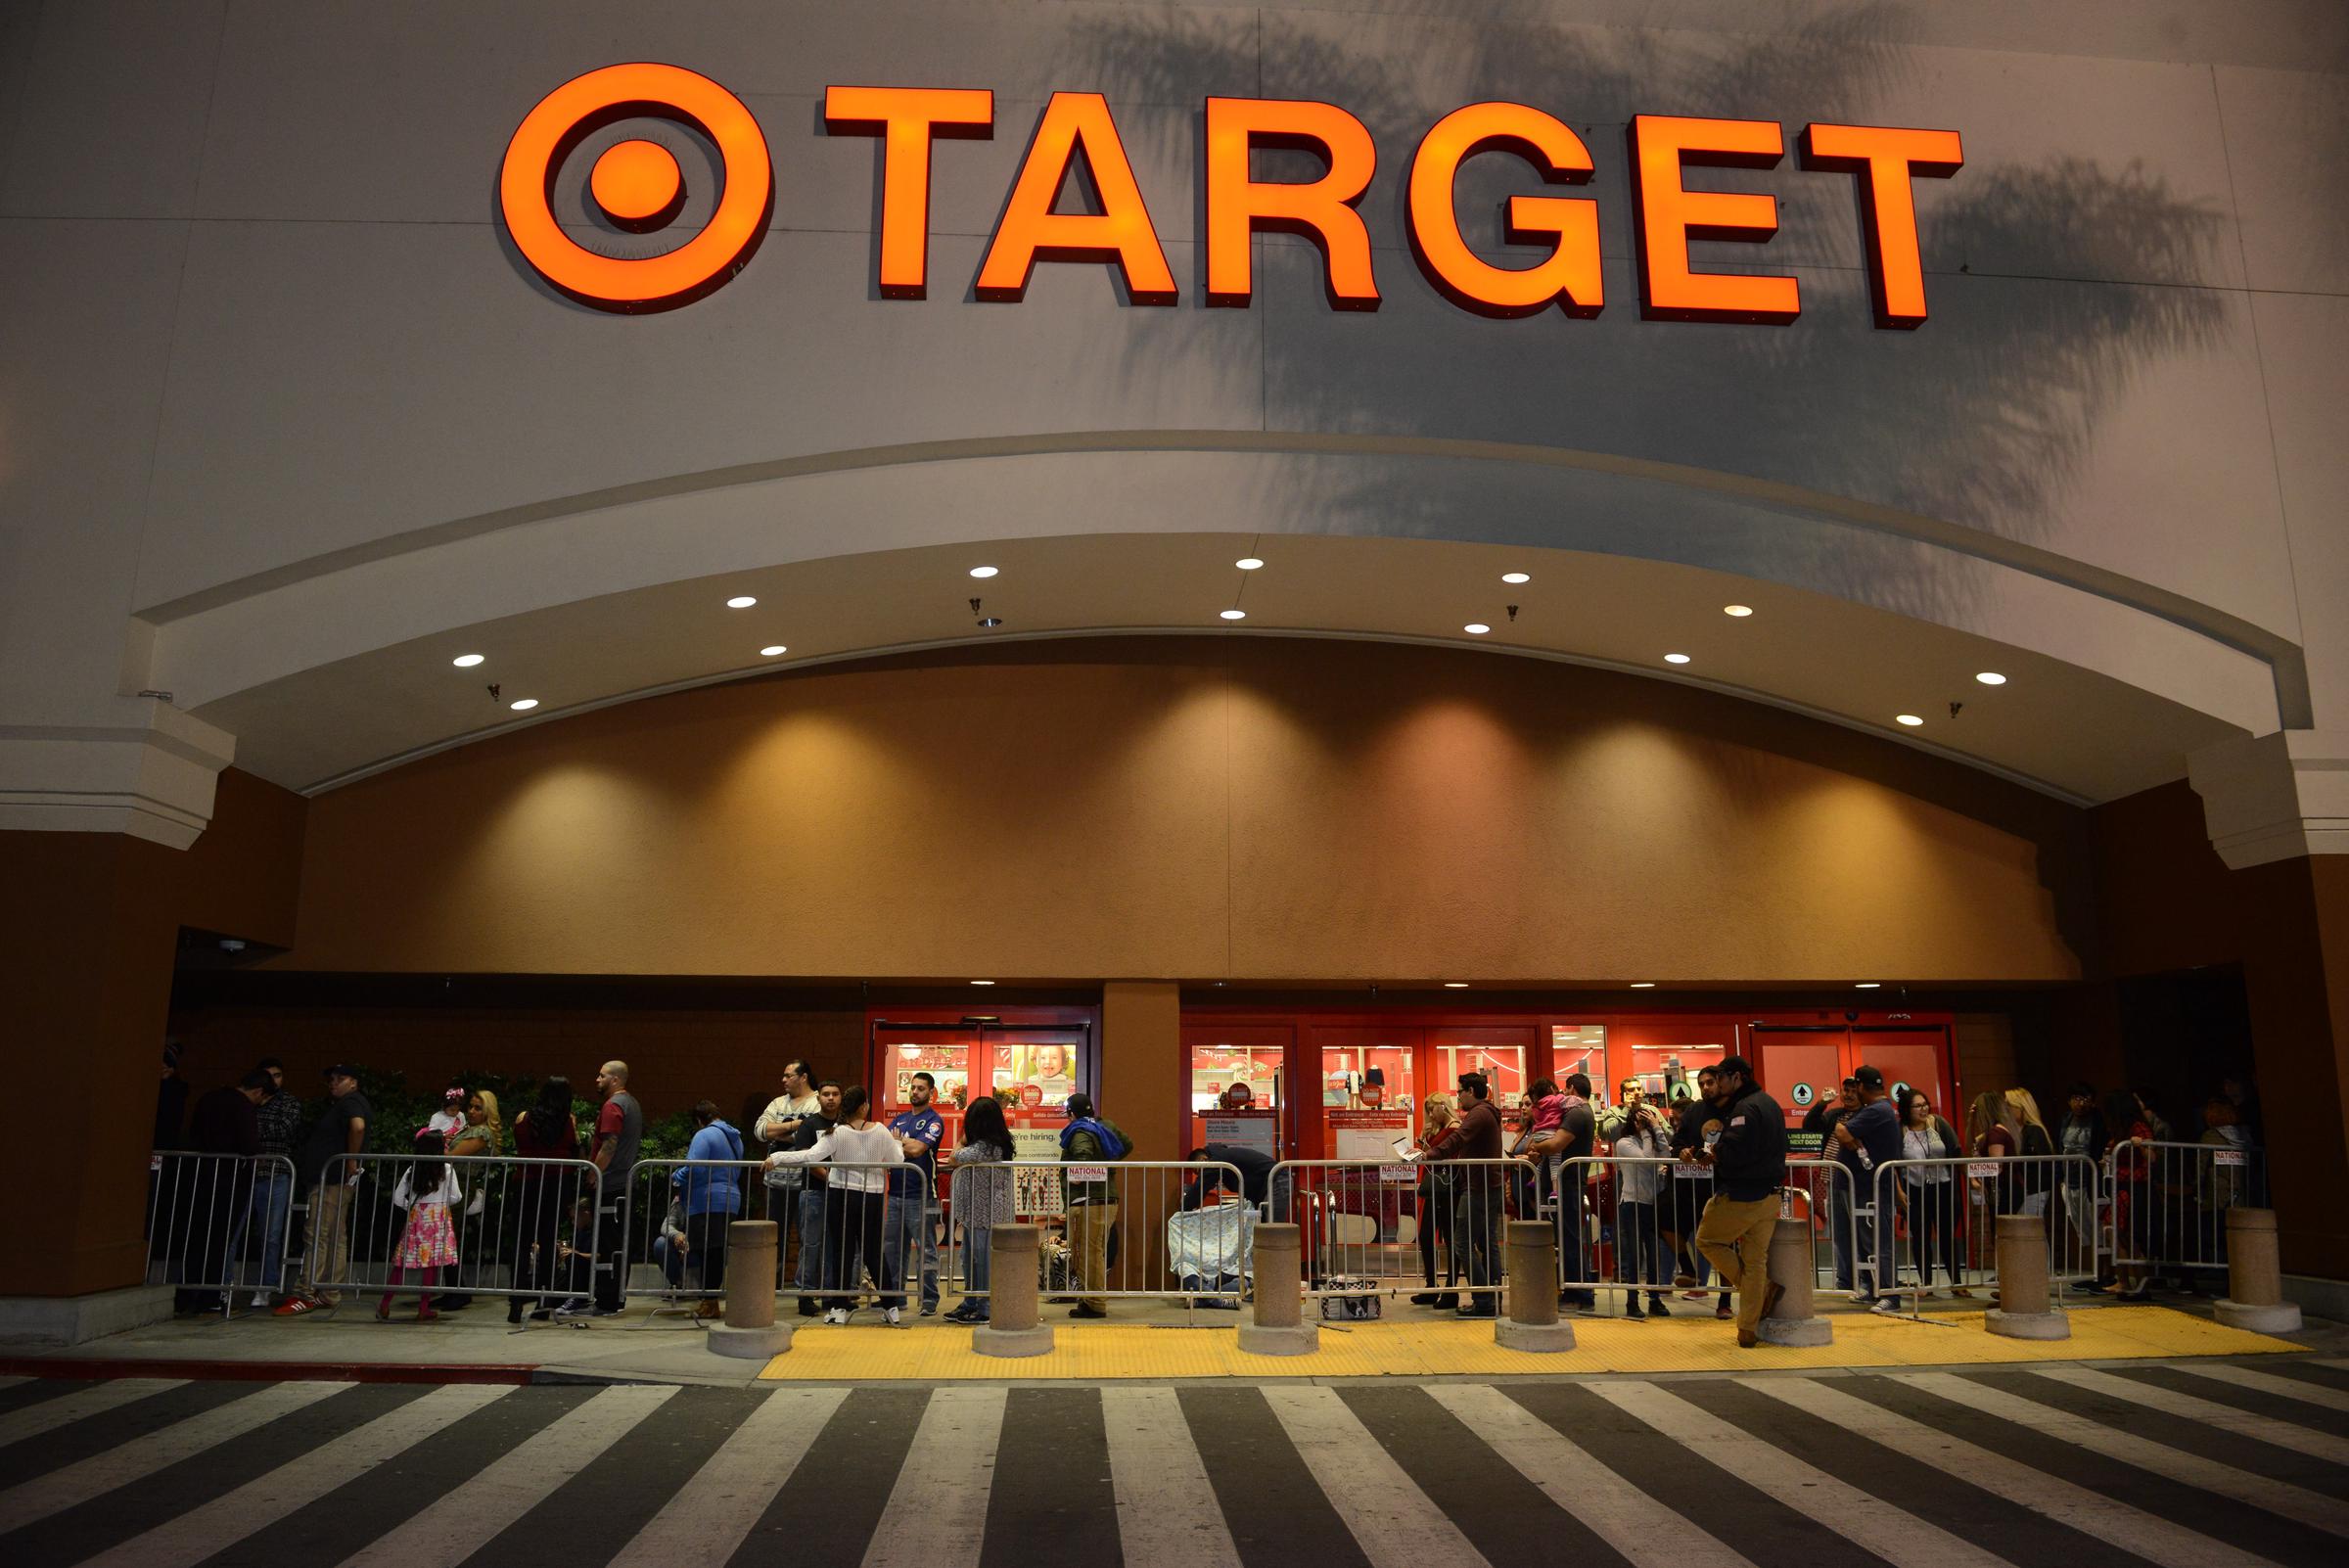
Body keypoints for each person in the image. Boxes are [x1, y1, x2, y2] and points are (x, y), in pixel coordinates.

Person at [765, 1085, 905, 1323]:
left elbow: (809, 1155)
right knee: (873, 1252)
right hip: (871, 1197)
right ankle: (891, 1307)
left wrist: (777, 1158)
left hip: (841, 1196)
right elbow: (897, 1160)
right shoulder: (881, 1131)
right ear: (864, 1107)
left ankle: (840, 1309)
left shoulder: (837, 1133)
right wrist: (898, 1143)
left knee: (842, 1250)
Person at [1688, 1055, 1788, 1348]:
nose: (1717, 1083)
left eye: (1720, 1078)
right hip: (1770, 1194)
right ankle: (1747, 1331)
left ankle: (1761, 1292)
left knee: (1707, 1240)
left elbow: (1736, 1150)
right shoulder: (1769, 1103)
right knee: (1755, 1261)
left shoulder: (1745, 1108)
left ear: (1737, 1077)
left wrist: (1716, 1153)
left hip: (1743, 1194)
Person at [277, 1065, 371, 1315]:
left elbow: (358, 1127)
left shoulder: (351, 1103)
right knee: (334, 1236)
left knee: (318, 1234)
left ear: (354, 1082)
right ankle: (329, 1291)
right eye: (331, 1079)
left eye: (341, 1079)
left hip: (331, 1179)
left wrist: (350, 1160)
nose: (333, 1083)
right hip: (334, 1178)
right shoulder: (348, 1103)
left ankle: (306, 1292)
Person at [177, 1071, 264, 1314]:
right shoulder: (243, 1107)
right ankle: (210, 1296)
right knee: (219, 1240)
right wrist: (259, 1156)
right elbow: (248, 1144)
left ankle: (186, 1296)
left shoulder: (209, 1098)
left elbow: (194, 1132)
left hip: (200, 1175)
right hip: (229, 1179)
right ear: (258, 1092)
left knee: (195, 1238)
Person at [567, 1060, 640, 1318]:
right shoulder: (632, 1104)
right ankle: (613, 1298)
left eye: (602, 1076)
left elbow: (609, 1144)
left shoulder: (613, 1106)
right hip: (623, 1183)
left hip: (611, 1183)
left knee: (610, 1243)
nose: (597, 1079)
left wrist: (593, 1173)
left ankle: (607, 1301)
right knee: (619, 1242)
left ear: (616, 1080)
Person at [509, 1078, 579, 1323]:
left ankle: (515, 1303)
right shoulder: (568, 1121)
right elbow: (574, 1149)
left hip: (526, 1182)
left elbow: (518, 1142)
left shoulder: (523, 1118)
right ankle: (543, 1302)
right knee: (549, 1242)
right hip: (556, 1184)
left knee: (521, 1242)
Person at [1833, 1065, 1903, 1313]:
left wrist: (1849, 1136)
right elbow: (1841, 1131)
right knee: (1867, 1242)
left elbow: (1841, 1130)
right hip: (1863, 1187)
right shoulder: (1877, 1110)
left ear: (1862, 1087)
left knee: (1879, 1242)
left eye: (1856, 1087)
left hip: (1872, 1188)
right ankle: (1876, 1290)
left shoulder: (1877, 1111)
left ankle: (1890, 1294)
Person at [1528, 1073, 1597, 1312]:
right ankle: (1574, 1290)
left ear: (1571, 1090)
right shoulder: (1582, 1113)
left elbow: (1556, 1144)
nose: (1562, 1097)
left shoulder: (1578, 1114)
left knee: (1570, 1237)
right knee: (1568, 1236)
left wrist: (1536, 1147)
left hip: (1568, 1183)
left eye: (1565, 1092)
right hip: (1569, 1182)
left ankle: (1580, 1292)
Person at [942, 1094, 1015, 1323]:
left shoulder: (984, 1147)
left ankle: (985, 1307)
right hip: (978, 1214)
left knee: (981, 1261)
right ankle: (971, 1301)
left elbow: (955, 1156)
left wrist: (962, 1140)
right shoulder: (996, 1144)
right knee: (971, 1258)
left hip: (985, 1214)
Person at [239, 1058, 303, 1309]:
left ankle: (266, 1287)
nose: (273, 1080)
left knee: (271, 1235)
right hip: (246, 1174)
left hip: (276, 1173)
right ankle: (224, 1285)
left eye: (277, 1075)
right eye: (268, 1076)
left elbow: (284, 1129)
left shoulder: (287, 1102)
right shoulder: (246, 1102)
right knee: (234, 1232)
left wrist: (250, 1129)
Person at [773, 1080, 842, 1316]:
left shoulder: (845, 1125)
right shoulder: (809, 1124)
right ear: (819, 1098)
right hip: (814, 1192)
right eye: (826, 1094)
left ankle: (832, 1297)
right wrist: (831, 1179)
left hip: (839, 1195)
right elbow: (807, 1159)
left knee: (835, 1246)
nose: (830, 1098)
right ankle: (805, 1296)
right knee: (811, 1245)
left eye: (835, 1094)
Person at [1060, 1091, 1129, 1318]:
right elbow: (1127, 1144)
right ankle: (1092, 1300)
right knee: (1095, 1251)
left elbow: (1082, 1157)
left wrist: (1078, 1173)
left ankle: (1094, 1303)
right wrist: (1108, 1163)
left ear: (1071, 1113)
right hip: (1106, 1199)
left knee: (1088, 1254)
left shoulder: (1079, 1130)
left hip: (1087, 1201)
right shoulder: (1104, 1125)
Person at [380, 1121, 459, 1321]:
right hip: (438, 1218)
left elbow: (398, 1198)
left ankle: (385, 1303)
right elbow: (456, 1197)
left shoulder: (412, 1169)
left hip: (417, 1219)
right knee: (431, 1265)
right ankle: (424, 1307)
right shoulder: (447, 1170)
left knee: (400, 1264)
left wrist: (413, 1208)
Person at [1670, 1067, 1731, 1318]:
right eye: (1702, 1083)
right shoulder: (1694, 1110)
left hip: (1722, 1186)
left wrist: (1719, 1155)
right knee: (1664, 1219)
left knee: (1723, 1243)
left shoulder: (1733, 1108)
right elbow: (1678, 1142)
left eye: (1710, 1082)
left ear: (1720, 1083)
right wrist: (1681, 1152)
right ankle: (1688, 1269)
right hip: (1691, 1186)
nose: (1706, 1087)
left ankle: (1725, 1300)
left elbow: (1740, 1143)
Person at [756, 1061, 823, 1288]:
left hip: (805, 1182)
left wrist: (780, 1131)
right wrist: (795, 1125)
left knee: (809, 1238)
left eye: (788, 1076)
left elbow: (811, 1138)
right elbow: (760, 1131)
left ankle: (806, 1287)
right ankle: (771, 1287)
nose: (783, 1080)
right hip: (775, 1183)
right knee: (775, 1238)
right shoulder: (777, 1102)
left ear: (803, 1077)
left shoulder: (817, 1102)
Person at [675, 1099, 745, 1317]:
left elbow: (694, 1167)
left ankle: (709, 1303)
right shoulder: (735, 1137)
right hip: (730, 1198)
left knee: (706, 1253)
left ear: (699, 1120)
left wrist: (676, 1176)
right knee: (715, 1253)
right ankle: (710, 1301)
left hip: (706, 1200)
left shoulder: (704, 1135)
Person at [1897, 1086, 1967, 1300]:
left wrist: (1970, 1178)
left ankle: (1956, 1282)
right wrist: (1899, 1192)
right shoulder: (1900, 1130)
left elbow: (1955, 1150)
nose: (1923, 1109)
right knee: (1921, 1236)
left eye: (1925, 1104)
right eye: (1917, 1106)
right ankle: (1926, 1282)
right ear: (1907, 1110)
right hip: (1914, 1190)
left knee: (1947, 1235)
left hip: (1943, 1186)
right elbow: (1893, 1164)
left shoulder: (1938, 1123)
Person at [887, 1072, 946, 1315]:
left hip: (921, 1195)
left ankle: (929, 1300)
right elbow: (887, 1147)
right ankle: (896, 1299)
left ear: (931, 1093)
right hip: (895, 1195)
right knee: (892, 1250)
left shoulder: (934, 1120)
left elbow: (918, 1149)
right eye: (912, 1087)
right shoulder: (899, 1120)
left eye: (921, 1088)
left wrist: (898, 1144)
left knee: (926, 1249)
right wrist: (903, 1145)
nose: (915, 1092)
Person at [1447, 1073, 1506, 1318]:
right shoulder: (1488, 1112)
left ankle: (1483, 1299)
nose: (1458, 1097)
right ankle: (1493, 1295)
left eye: (1459, 1092)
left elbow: (1459, 1138)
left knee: (1462, 1242)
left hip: (1478, 1187)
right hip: (1487, 1185)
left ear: (1470, 1090)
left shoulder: (1479, 1114)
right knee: (1488, 1242)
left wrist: (1429, 1155)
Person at [1613, 1096, 1673, 1318]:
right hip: (1632, 1202)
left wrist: (1657, 1131)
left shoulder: (1652, 1141)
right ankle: (1632, 1302)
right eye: (1643, 1120)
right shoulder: (1624, 1143)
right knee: (1634, 1254)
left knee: (1653, 1253)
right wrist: (1647, 1133)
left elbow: (1665, 1156)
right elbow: (1647, 1161)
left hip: (1652, 1202)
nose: (1647, 1123)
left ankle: (1655, 1300)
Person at [2101, 1088, 2155, 1299]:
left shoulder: (2138, 1127)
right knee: (2116, 1234)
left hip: (2134, 1186)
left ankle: (2141, 1284)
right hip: (2122, 1185)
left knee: (2130, 1237)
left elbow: (2151, 1157)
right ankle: (2123, 1281)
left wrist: (2140, 1145)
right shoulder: (2121, 1129)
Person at [1410, 1093, 1461, 1308]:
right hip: (1436, 1186)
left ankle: (1451, 1289)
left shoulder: (1455, 1127)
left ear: (1443, 1106)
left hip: (1449, 1187)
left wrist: (1425, 1145)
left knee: (1450, 1237)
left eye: (1433, 1109)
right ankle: (1432, 1285)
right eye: (1428, 1110)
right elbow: (1428, 1151)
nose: (1431, 1114)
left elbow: (1436, 1151)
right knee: (1426, 1235)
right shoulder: (1439, 1128)